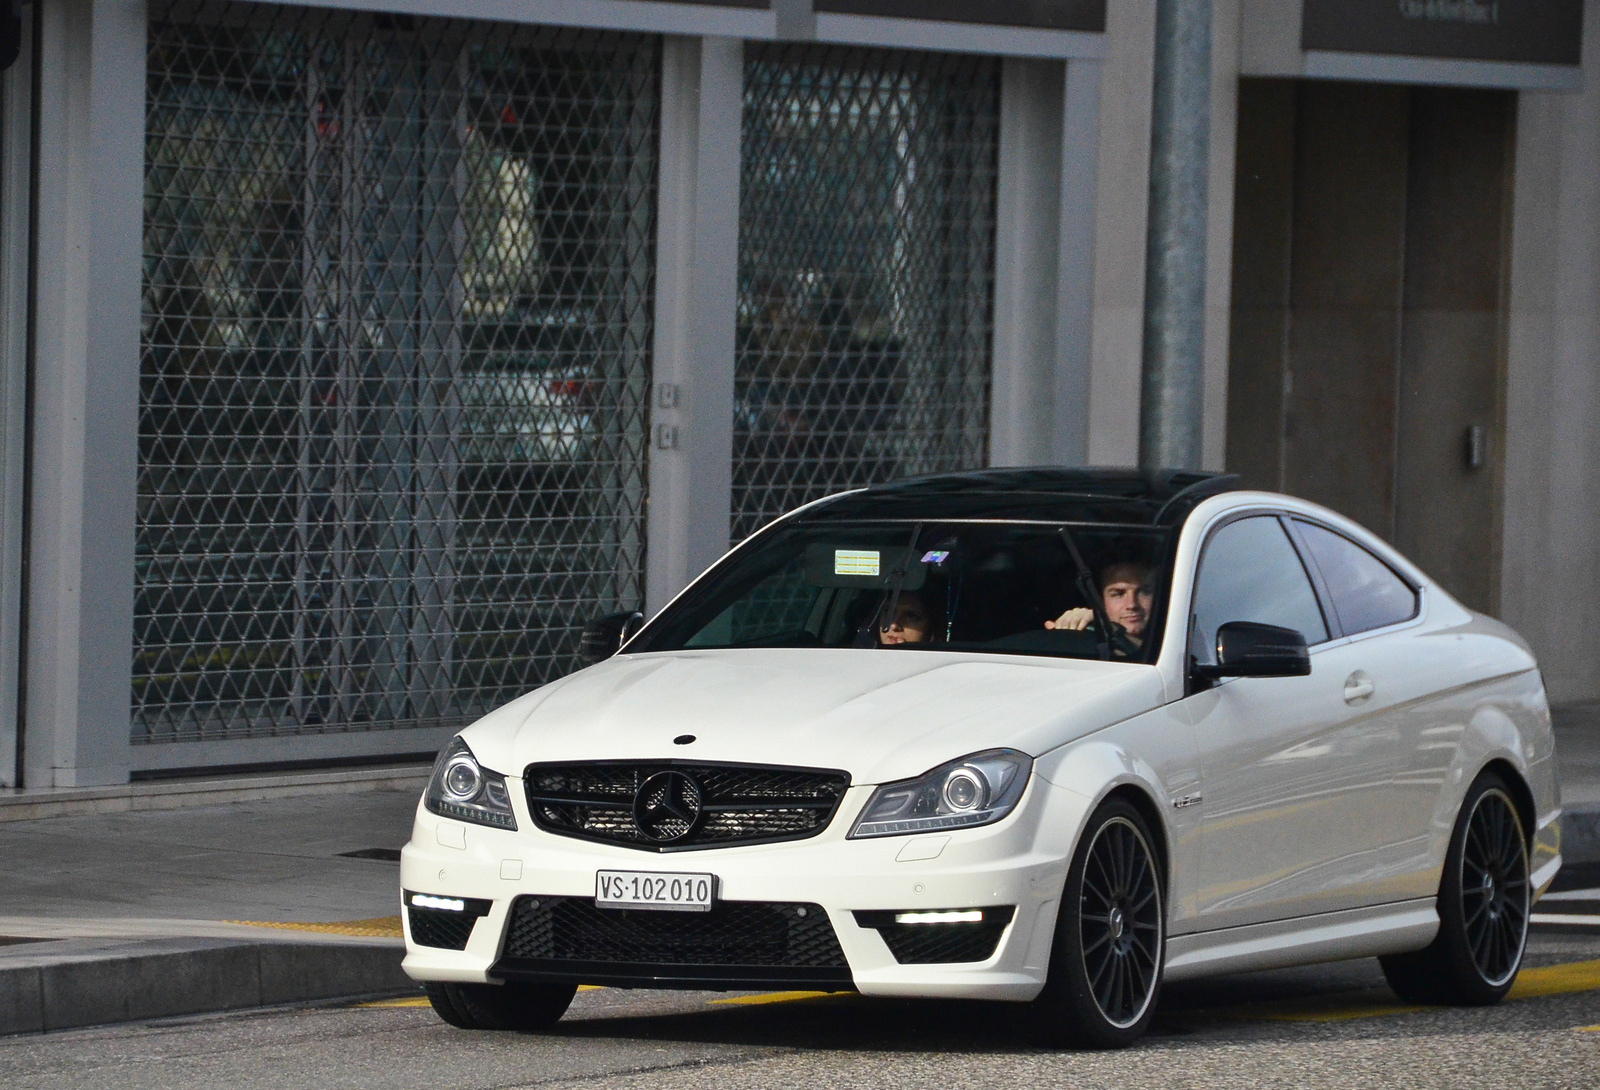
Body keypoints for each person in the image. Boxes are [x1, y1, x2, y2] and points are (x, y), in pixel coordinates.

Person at [1044, 561, 1155, 648]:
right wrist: (1069, 629)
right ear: (1100, 600)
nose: (1132, 604)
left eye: (1145, 592)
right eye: (1118, 594)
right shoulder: (1090, 644)